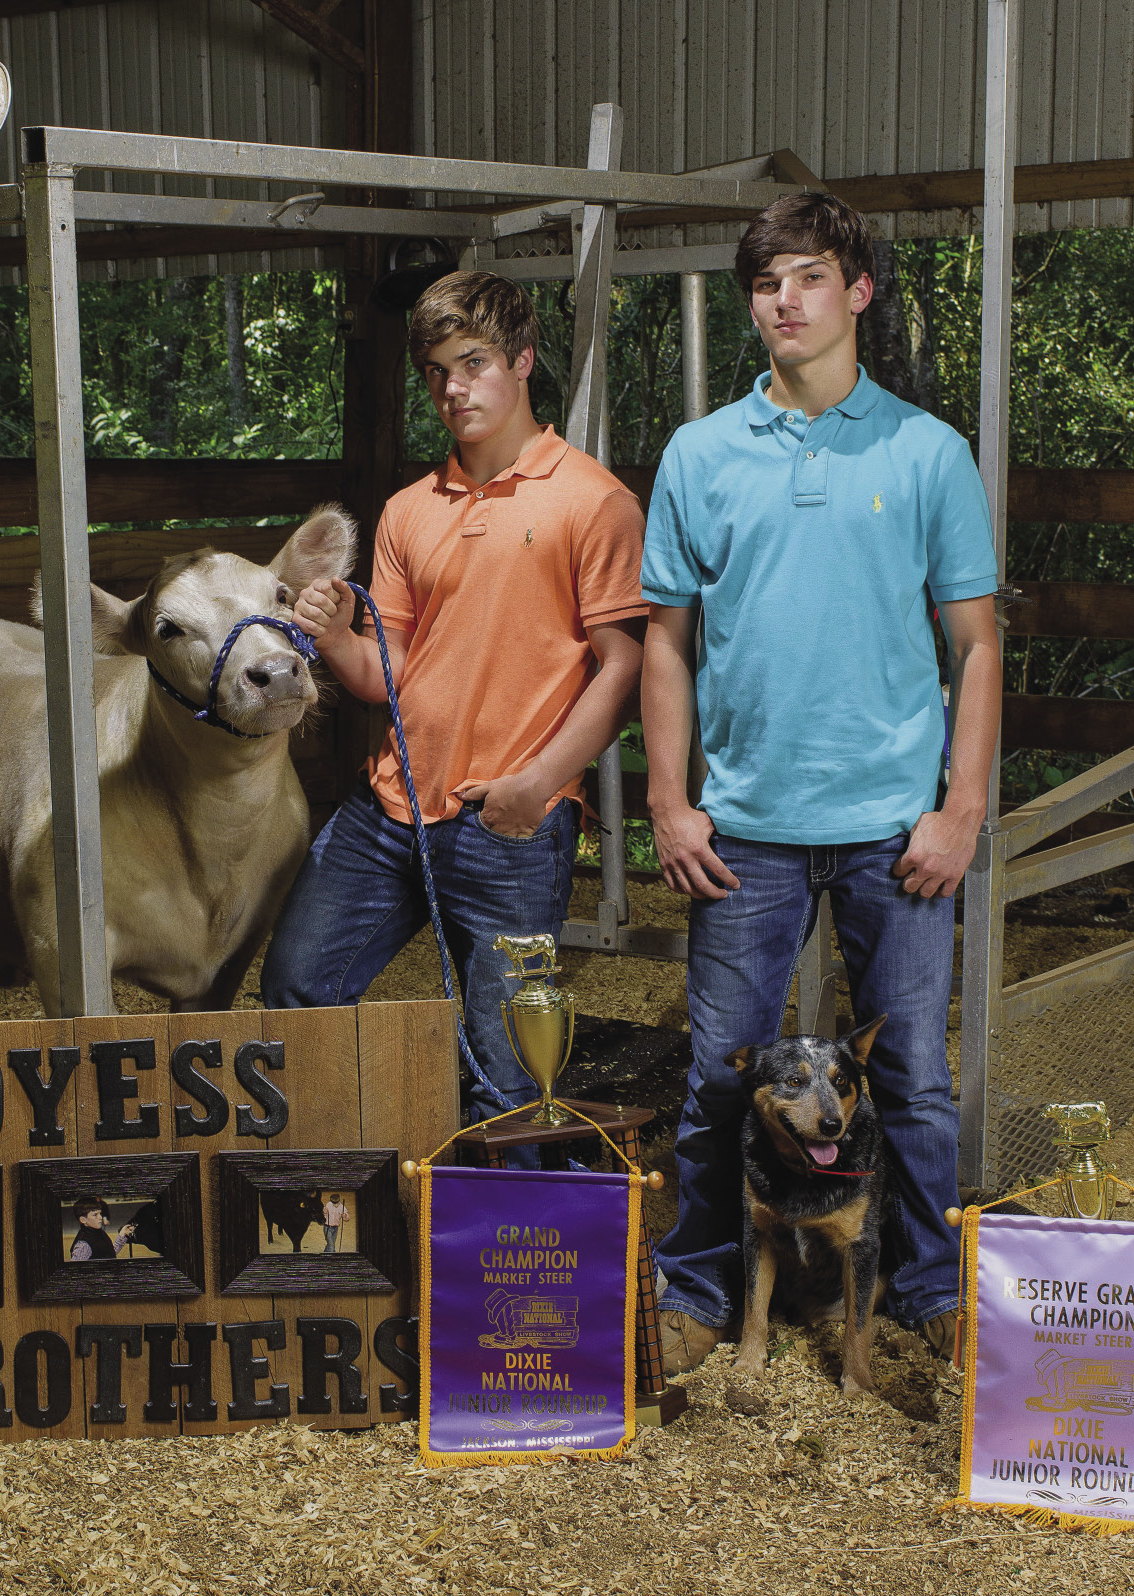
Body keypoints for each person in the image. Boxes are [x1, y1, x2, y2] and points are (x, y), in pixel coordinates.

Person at [639, 192, 1002, 1371]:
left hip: (893, 824)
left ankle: (928, 1291)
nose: (781, 302)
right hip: (741, 825)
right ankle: (691, 1296)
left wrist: (958, 808)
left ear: (856, 291)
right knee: (712, 1074)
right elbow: (663, 641)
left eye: (805, 278)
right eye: (763, 284)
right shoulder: (699, 454)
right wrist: (665, 798)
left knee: (911, 1079)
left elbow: (976, 642)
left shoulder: (925, 450)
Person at [262, 271, 647, 1146]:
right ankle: (332, 1204)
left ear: (522, 361)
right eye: (436, 371)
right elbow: (384, 672)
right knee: (295, 988)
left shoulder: (593, 501)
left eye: (472, 363)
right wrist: (327, 635)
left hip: (507, 821)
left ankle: (509, 1262)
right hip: (388, 809)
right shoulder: (407, 510)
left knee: (506, 1069)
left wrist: (542, 785)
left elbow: (621, 666)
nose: (453, 389)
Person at [69, 1196, 135, 1262]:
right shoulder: (83, 1245)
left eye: (100, 1213)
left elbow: (109, 1253)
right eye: (95, 1215)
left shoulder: (99, 1232)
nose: (100, 1217)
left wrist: (122, 1234)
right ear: (83, 1219)